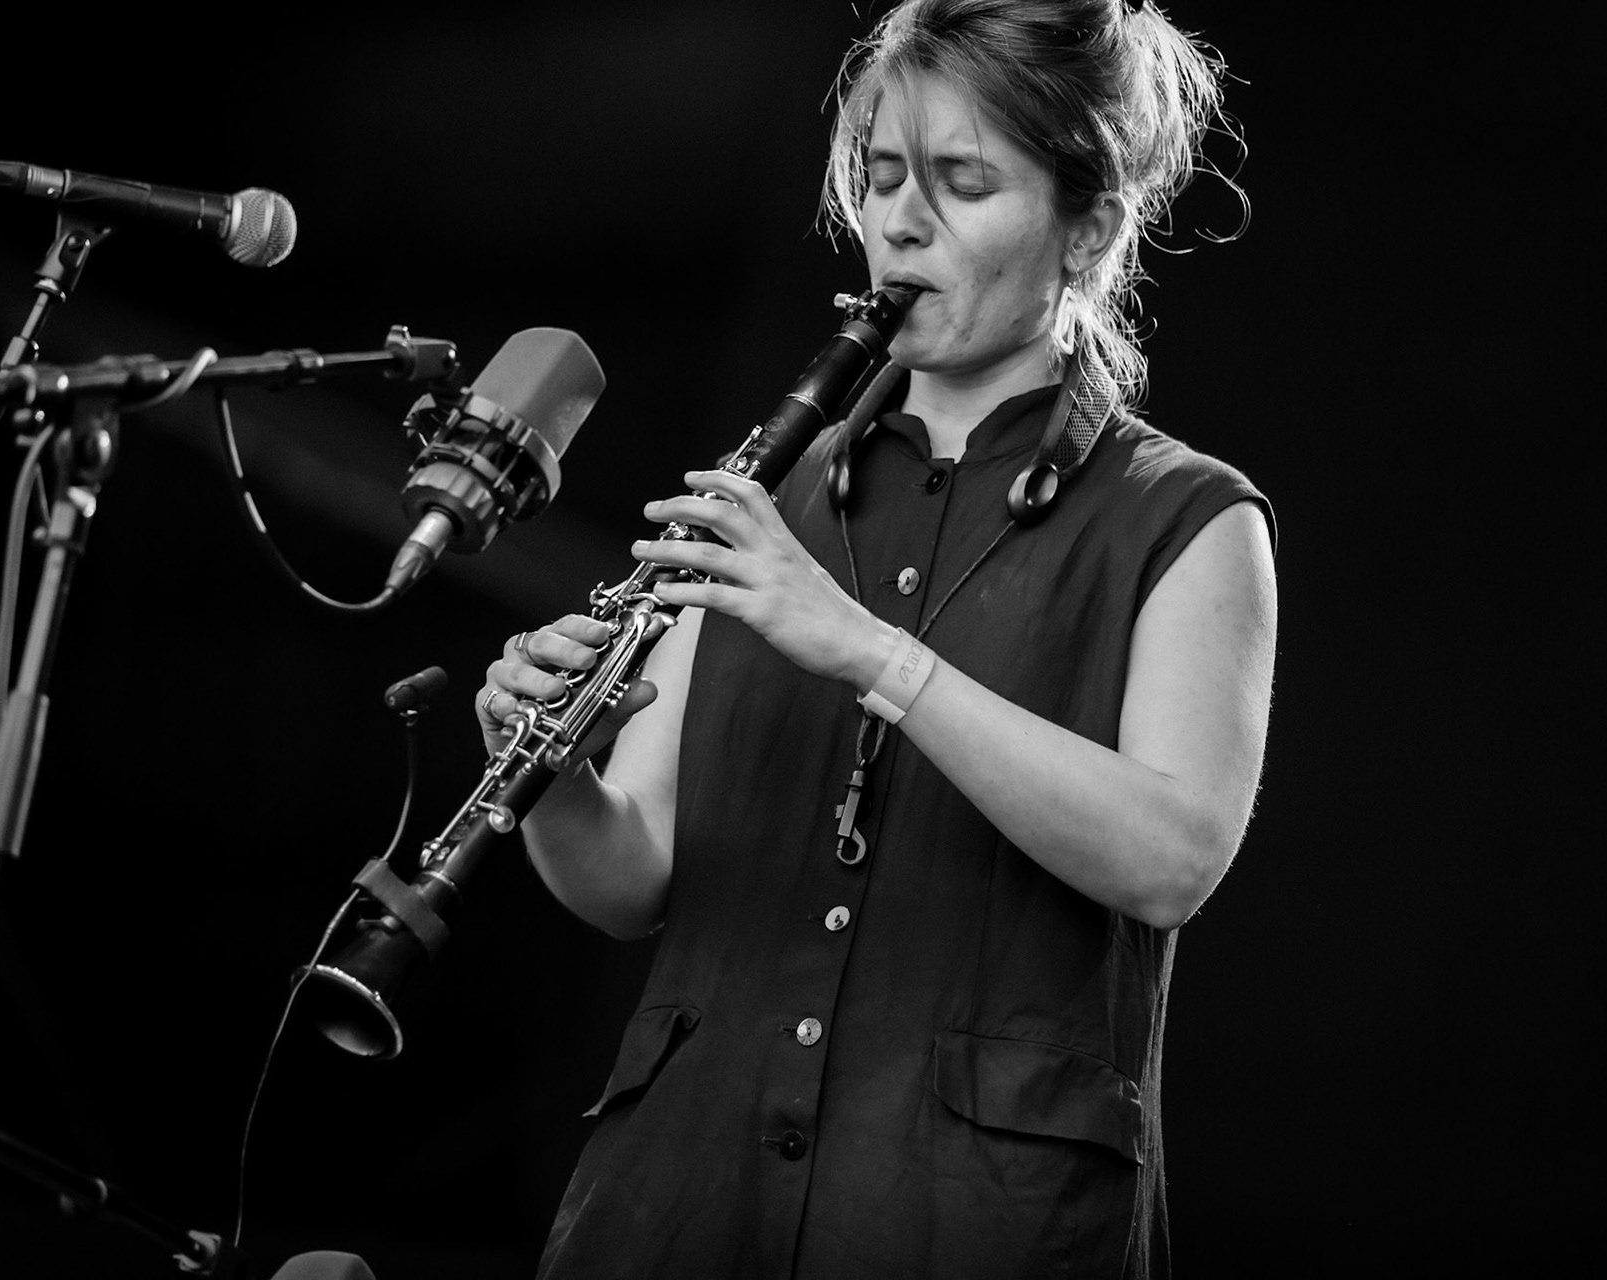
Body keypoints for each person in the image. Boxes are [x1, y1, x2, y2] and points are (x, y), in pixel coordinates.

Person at [475, 1, 1276, 1275]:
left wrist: (865, 649)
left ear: (1092, 228)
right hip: (675, 1201)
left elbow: (1170, 856)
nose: (902, 222)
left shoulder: (1185, 518)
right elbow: (630, 877)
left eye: (964, 182)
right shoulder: (766, 501)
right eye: (883, 176)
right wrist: (557, 781)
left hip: (971, 1216)